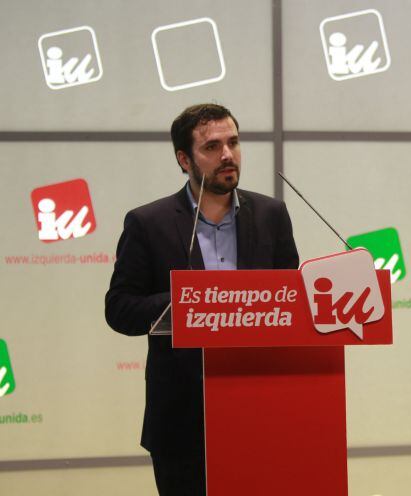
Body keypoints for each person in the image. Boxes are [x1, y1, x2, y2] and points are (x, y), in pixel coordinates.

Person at [105, 103, 299, 495]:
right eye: (212, 146)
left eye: (233, 142)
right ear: (184, 159)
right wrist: (191, 304)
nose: (227, 155)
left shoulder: (271, 214)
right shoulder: (148, 223)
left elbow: (291, 303)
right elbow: (120, 308)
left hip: (259, 408)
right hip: (182, 418)